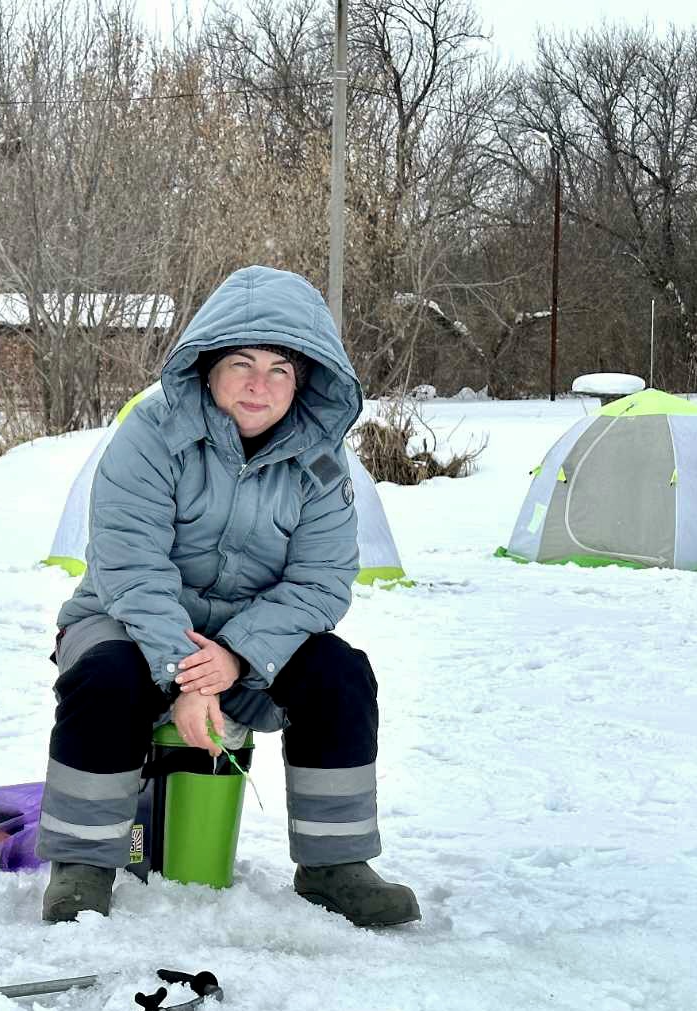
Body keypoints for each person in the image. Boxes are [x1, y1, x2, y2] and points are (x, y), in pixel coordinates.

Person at [37, 265, 420, 929]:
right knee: (104, 674)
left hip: (249, 649)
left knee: (340, 673)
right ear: (207, 368)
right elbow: (131, 566)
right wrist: (190, 676)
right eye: (241, 362)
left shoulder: (323, 462)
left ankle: (335, 866)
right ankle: (84, 863)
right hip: (126, 623)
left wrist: (237, 658)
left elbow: (322, 580)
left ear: (302, 380)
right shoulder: (150, 434)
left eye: (279, 368)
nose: (258, 384)